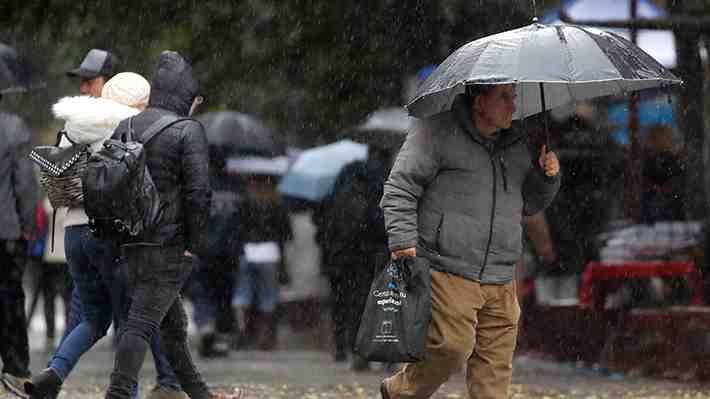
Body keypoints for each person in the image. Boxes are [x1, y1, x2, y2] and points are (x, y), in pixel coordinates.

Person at [379, 84, 560, 399]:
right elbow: (399, 190)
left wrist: (547, 178)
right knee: (452, 348)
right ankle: (400, 392)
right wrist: (402, 242)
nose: (513, 106)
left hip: (502, 273)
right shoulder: (436, 131)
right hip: (448, 266)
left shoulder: (517, 142)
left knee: (494, 372)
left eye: (514, 97)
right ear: (479, 102)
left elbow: (528, 204)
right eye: (504, 97)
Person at [26, 72, 187, 399]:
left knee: (93, 317)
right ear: (139, 102)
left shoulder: (74, 124)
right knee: (133, 319)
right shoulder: (131, 127)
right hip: (108, 233)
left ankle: (54, 373)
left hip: (72, 233)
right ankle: (128, 392)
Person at [104, 51, 241, 399]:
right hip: (169, 245)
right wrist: (195, 242)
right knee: (141, 323)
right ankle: (118, 393)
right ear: (184, 96)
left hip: (132, 241)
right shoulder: (187, 131)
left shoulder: (128, 126)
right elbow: (199, 193)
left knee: (173, 327)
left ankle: (198, 393)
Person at [313, 145, 398, 371]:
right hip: (380, 250)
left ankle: (354, 349)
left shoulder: (346, 181)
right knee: (386, 301)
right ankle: (387, 354)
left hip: (348, 254)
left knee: (353, 302)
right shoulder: (387, 181)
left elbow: (324, 222)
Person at [0, 92, 38, 397]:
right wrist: (27, 226)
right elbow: (25, 183)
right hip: (6, 231)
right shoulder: (14, 129)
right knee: (10, 300)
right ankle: (15, 369)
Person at [231, 172, 292, 351]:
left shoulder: (244, 202)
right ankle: (264, 335)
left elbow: (237, 228)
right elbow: (287, 234)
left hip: (248, 251)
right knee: (268, 297)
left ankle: (242, 328)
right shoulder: (277, 204)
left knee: (242, 294)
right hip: (270, 252)